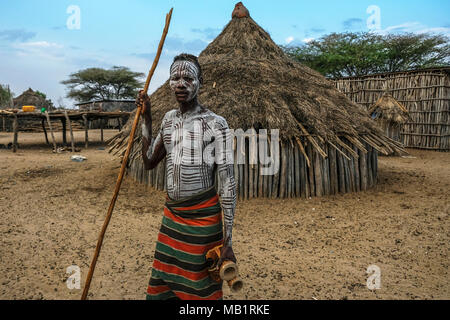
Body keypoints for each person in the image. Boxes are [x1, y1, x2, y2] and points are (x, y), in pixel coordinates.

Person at [137, 53, 237, 300]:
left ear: (200, 81)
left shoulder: (216, 124)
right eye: (175, 78)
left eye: (187, 78)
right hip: (172, 217)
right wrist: (146, 119)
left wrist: (228, 241)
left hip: (203, 220)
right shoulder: (169, 120)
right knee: (165, 280)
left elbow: (228, 183)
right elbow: (149, 161)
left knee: (199, 287)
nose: (180, 84)